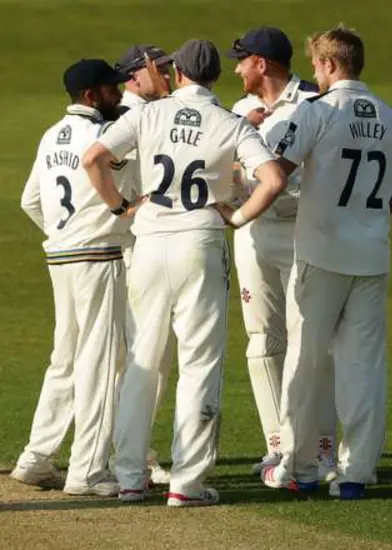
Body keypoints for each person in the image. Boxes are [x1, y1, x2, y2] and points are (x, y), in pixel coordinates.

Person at [83, 39, 287, 507]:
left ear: (177, 75)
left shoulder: (146, 115)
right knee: (199, 363)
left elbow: (93, 159)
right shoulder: (230, 122)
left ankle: (130, 476)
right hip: (200, 241)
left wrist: (119, 206)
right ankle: (187, 484)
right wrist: (235, 218)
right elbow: (273, 179)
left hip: (151, 240)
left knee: (142, 361)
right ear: (216, 75)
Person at [248, 26, 392, 499]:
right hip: (371, 257)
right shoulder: (391, 116)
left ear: (330, 66)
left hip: (320, 255)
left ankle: (300, 468)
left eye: (317, 65)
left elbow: (276, 172)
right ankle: (356, 472)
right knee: (363, 365)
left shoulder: (316, 111)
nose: (314, 74)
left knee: (306, 358)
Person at [12, 59, 131, 496]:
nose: (118, 94)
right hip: (98, 255)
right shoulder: (103, 137)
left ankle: (37, 458)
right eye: (111, 89)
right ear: (89, 95)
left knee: (65, 358)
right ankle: (89, 472)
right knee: (100, 360)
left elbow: (30, 200)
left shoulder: (50, 135)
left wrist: (63, 234)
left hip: (61, 256)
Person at [226, 26, 337, 478]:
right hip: (252, 233)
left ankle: (324, 449)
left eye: (241, 60)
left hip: (300, 234)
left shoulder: (313, 102)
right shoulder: (236, 110)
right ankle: (278, 445)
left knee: (311, 341)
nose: (235, 69)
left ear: (261, 63)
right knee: (263, 340)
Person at [110, 43, 174, 486]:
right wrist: (123, 207)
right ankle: (135, 457)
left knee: (147, 355)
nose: (169, 74)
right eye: (160, 68)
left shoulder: (144, 112)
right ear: (135, 76)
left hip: (144, 247)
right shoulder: (133, 117)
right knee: (146, 357)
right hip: (138, 249)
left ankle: (131, 452)